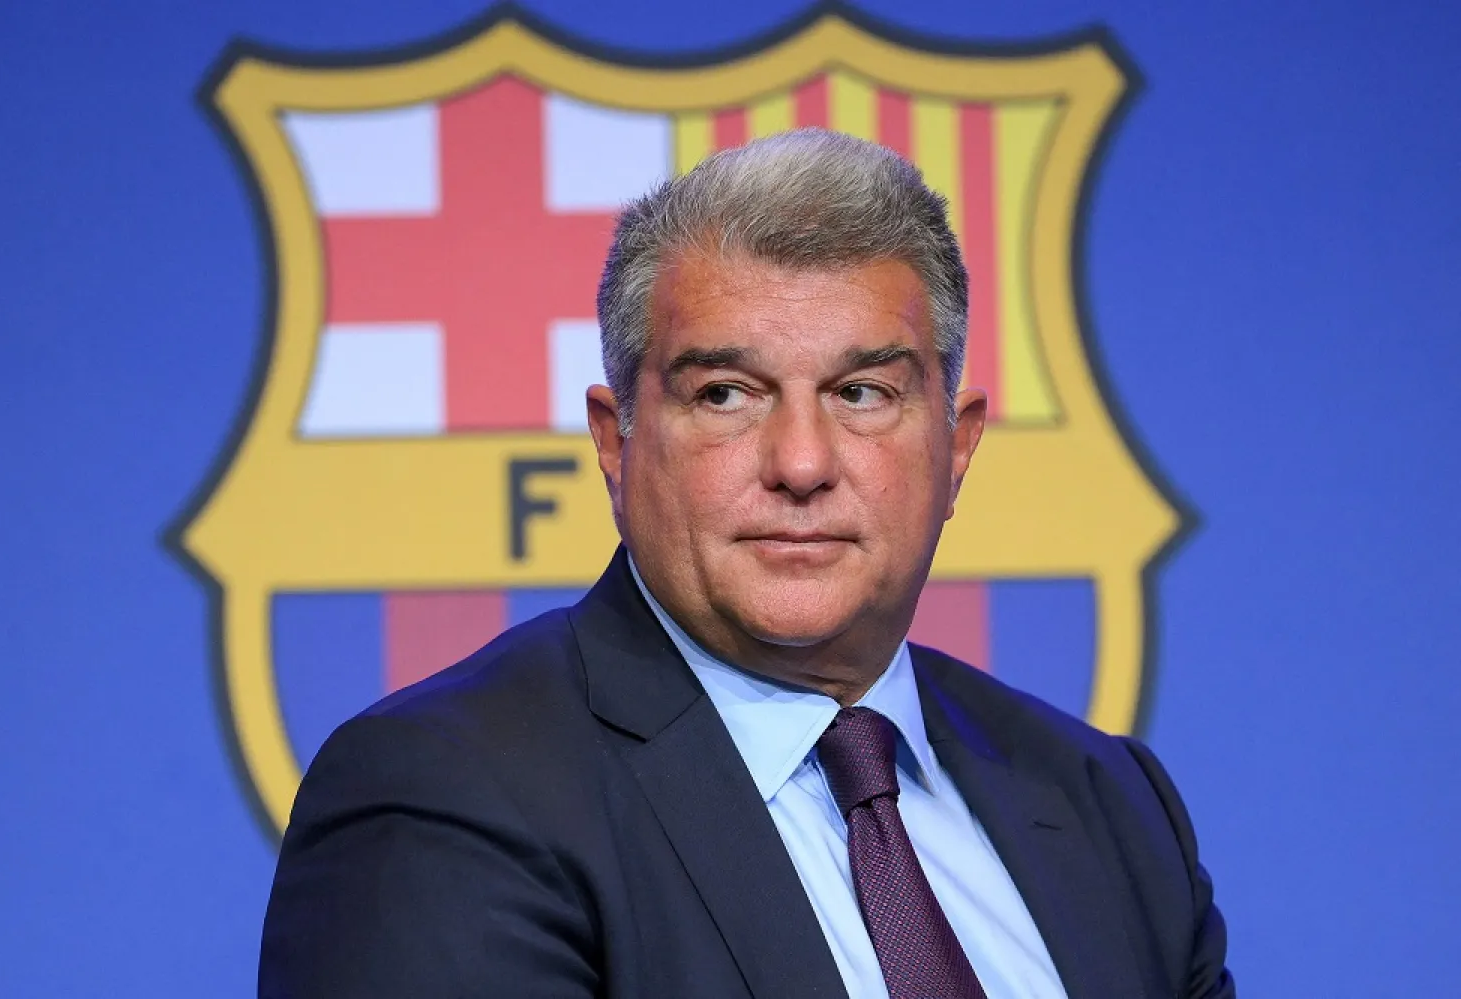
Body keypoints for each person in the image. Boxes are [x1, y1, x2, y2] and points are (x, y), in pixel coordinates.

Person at [259, 128, 1234, 999]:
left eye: (861, 393)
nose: (801, 464)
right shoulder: (446, 797)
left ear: (958, 446)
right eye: (726, 395)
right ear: (617, 440)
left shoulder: (1110, 807)